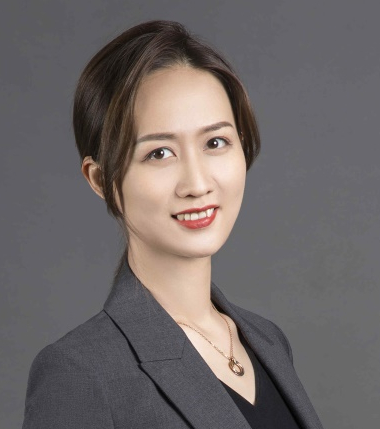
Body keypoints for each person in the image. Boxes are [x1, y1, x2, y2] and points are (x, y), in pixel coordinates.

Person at [22, 20, 324, 429]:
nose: (197, 184)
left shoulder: (267, 340)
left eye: (215, 142)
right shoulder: (82, 372)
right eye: (159, 153)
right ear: (100, 179)